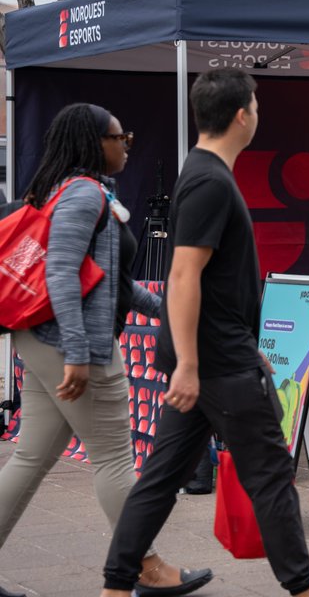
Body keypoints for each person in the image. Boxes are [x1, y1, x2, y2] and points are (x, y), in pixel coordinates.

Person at [100, 71, 309, 597]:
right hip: (217, 363)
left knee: (162, 478)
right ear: (243, 115)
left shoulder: (204, 172)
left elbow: (203, 280)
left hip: (211, 357)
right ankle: (305, 590)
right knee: (271, 475)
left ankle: (115, 587)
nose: (257, 112)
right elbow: (185, 274)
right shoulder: (210, 181)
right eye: (255, 104)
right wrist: (189, 364)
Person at [0, 104, 209, 597]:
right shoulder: (84, 195)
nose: (126, 147)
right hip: (74, 346)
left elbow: (113, 285)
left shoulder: (73, 192)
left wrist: (167, 310)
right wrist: (78, 352)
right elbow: (61, 276)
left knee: (30, 457)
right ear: (96, 144)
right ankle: (145, 566)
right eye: (122, 138)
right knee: (115, 459)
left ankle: (140, 563)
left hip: (45, 339)